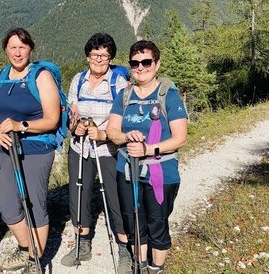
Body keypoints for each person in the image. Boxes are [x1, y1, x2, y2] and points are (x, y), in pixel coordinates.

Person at [106, 40, 188, 274]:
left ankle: (156, 267)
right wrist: (124, 136)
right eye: (135, 63)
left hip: (160, 173)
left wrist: (147, 150)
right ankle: (139, 265)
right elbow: (112, 131)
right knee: (133, 220)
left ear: (157, 64)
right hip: (127, 169)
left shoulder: (168, 96)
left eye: (146, 62)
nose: (140, 67)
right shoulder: (124, 95)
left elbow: (180, 138)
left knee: (157, 222)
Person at [0, 28, 61, 274]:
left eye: (22, 47)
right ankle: (26, 246)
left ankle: (34, 260)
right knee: (7, 205)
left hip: (37, 148)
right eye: (12, 47)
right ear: (6, 50)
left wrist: (21, 126)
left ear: (30, 48)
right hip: (6, 147)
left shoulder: (41, 77)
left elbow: (52, 119)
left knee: (34, 204)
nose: (17, 52)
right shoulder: (0, 76)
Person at [61, 33, 129, 268]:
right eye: (94, 54)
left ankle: (124, 247)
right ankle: (82, 243)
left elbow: (125, 118)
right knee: (78, 195)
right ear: (87, 56)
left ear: (111, 58)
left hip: (108, 149)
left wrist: (104, 134)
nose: (98, 59)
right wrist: (75, 127)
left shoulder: (118, 83)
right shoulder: (78, 80)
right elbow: (72, 116)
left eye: (104, 55)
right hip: (80, 149)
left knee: (116, 197)